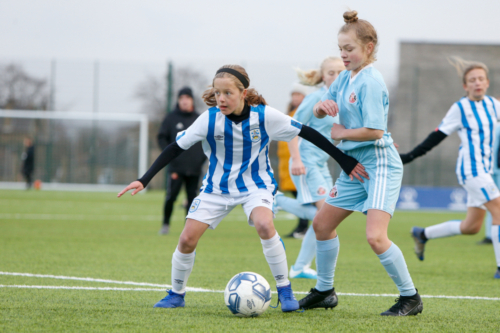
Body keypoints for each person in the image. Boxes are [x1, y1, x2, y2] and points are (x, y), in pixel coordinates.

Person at [118, 64, 368, 311]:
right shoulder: (209, 119)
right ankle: (176, 294)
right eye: (217, 93)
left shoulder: (264, 115)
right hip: (216, 188)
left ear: (243, 93)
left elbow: (307, 132)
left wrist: (343, 160)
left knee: (264, 224)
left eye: (228, 93)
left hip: (256, 186)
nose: (221, 99)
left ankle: (285, 290)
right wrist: (145, 179)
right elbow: (175, 147)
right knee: (186, 240)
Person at [298, 11, 423, 316]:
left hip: (379, 164)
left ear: (368, 48)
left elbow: (376, 131)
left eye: (349, 49)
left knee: (375, 237)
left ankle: (410, 298)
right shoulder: (343, 77)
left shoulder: (372, 80)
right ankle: (325, 291)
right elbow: (318, 111)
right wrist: (321, 107)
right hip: (353, 166)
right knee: (321, 224)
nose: (343, 54)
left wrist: (340, 131)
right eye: (341, 48)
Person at [401, 57, 500, 279]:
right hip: (471, 171)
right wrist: (408, 156)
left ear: (487, 82)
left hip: (486, 171)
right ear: (465, 86)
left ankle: (423, 234)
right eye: (472, 80)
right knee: (499, 210)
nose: (477, 83)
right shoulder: (460, 108)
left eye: (480, 79)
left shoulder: (494, 105)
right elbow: (436, 136)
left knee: (471, 227)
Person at [274, 57, 345, 280]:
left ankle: (300, 267)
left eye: (339, 72)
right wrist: (296, 159)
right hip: (305, 163)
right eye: (330, 72)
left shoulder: (347, 100)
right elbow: (291, 129)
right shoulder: (314, 98)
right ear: (323, 76)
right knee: (323, 215)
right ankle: (275, 200)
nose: (335, 76)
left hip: (321, 165)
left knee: (324, 218)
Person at [157, 87, 206, 235]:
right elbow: (161, 137)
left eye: (187, 98)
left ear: (192, 100)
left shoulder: (199, 118)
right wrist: (169, 156)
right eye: (181, 98)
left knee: (192, 198)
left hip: (195, 167)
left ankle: (187, 229)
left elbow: (207, 141)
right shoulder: (170, 118)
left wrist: (201, 159)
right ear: (178, 101)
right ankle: (165, 225)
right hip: (176, 168)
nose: (184, 101)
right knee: (171, 196)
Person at [277, 83, 309, 239]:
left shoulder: (305, 113)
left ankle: (304, 228)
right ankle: (302, 227)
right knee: (297, 196)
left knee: (302, 197)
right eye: (293, 95)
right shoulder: (289, 114)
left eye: (298, 95)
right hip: (287, 162)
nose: (295, 98)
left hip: (298, 161)